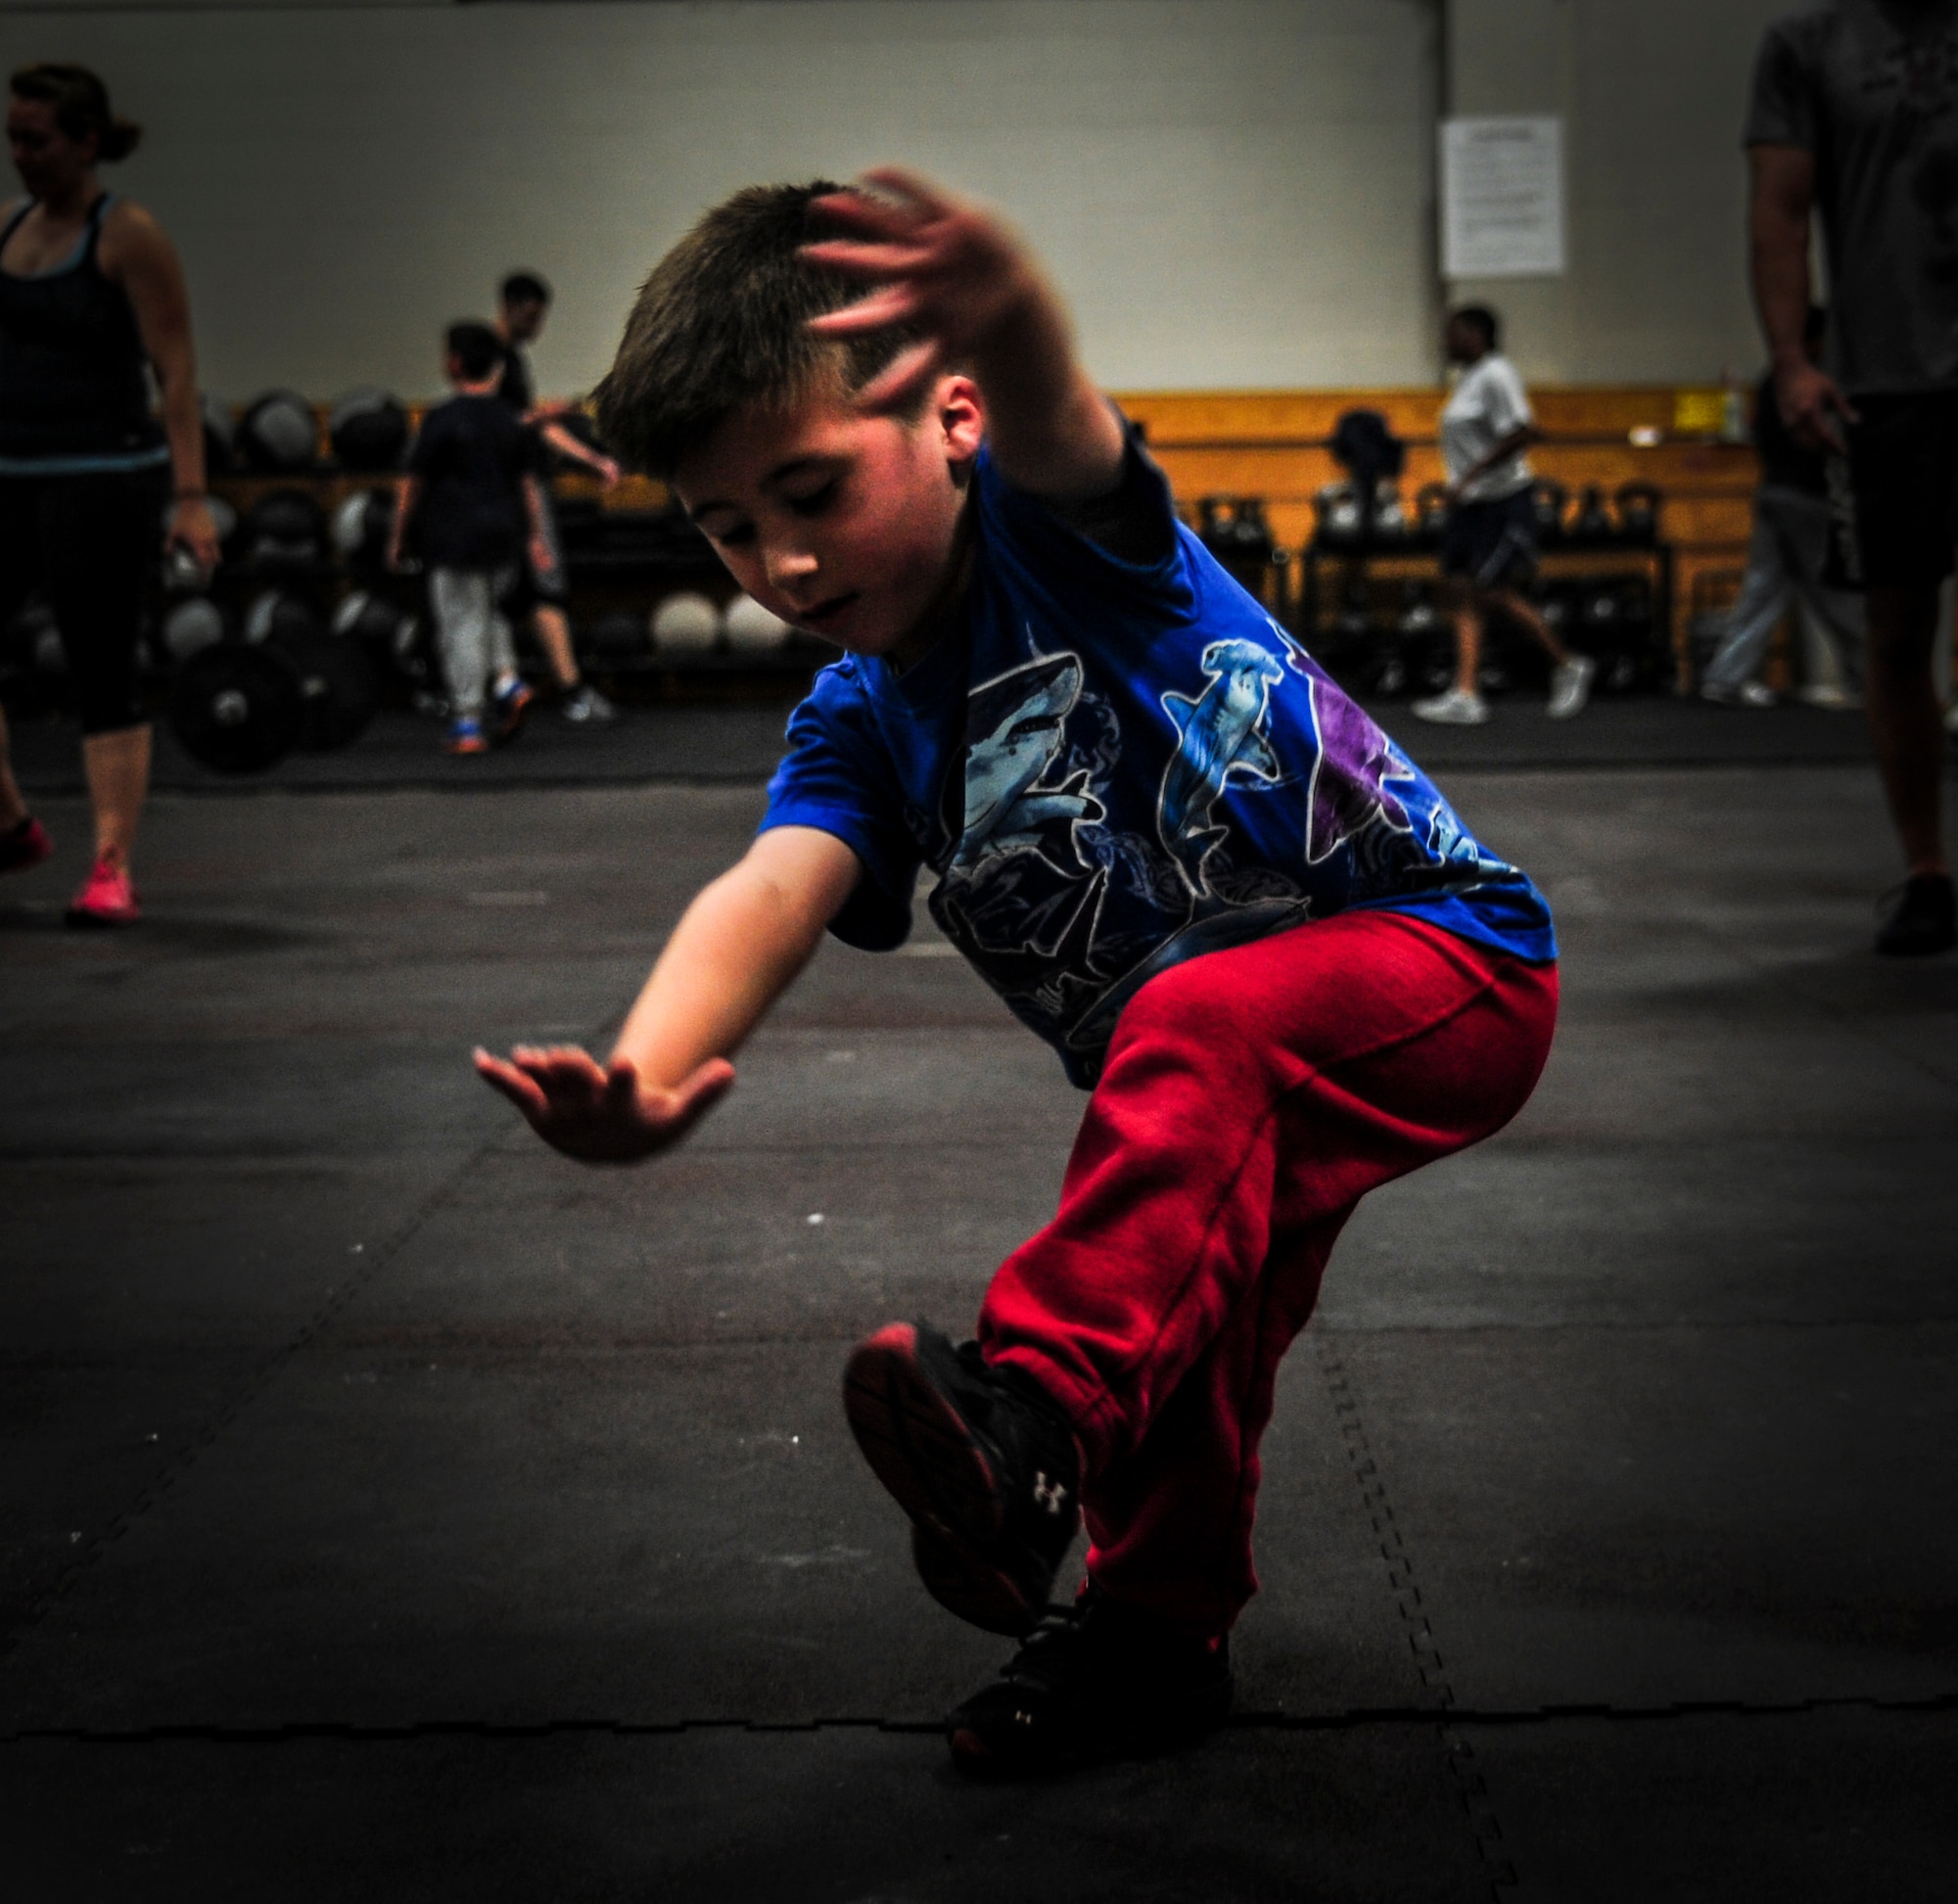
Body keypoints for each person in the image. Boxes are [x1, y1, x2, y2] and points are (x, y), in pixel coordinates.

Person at [476, 172, 1561, 1777]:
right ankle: (1152, 1628)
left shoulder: (1061, 541)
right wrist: (643, 1073)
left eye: (810, 491)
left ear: (954, 418)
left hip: (1446, 965)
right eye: (726, 525)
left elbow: (1061, 411)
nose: (777, 561)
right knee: (1181, 1312)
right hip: (1213, 1076)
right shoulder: (856, 717)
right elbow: (771, 885)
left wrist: (1009, 298)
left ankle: (1026, 1416)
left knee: (1179, 1056)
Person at [1748, 0, 1958, 954]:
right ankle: (1926, 873)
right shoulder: (1808, 44)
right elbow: (1780, 209)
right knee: (1896, 627)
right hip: (1887, 381)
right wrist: (1790, 358)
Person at [0, 64, 219, 924]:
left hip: (104, 484)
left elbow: (176, 370)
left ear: (87, 142)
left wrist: (192, 496)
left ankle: (111, 864)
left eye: (38, 140)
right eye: (12, 138)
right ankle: (13, 824)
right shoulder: (6, 230)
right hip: (10, 479)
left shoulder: (127, 235)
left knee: (102, 670)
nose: (21, 155)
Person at [1412, 305, 1593, 727]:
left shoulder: (1497, 374)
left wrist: (1472, 475)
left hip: (1501, 502)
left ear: (1476, 334)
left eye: (1453, 333)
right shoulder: (1468, 380)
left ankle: (1567, 665)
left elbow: (1525, 430)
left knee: (1490, 591)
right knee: (1460, 592)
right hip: (1469, 505)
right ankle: (1466, 694)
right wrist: (1458, 484)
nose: (1446, 342)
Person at [389, 321, 547, 756]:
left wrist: (397, 539)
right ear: (496, 369)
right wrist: (535, 540)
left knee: (460, 626)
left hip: (453, 540)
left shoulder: (440, 419)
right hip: (503, 538)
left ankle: (467, 722)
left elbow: (412, 485)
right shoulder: (510, 421)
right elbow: (528, 486)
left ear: (453, 364)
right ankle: (506, 680)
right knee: (490, 616)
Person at [1702, 305, 1866, 710]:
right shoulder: (1812, 387)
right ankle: (1869, 677)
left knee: (1763, 588)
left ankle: (1726, 676)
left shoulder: (1770, 382)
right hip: (1802, 498)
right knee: (1834, 593)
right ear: (1813, 339)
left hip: (1774, 493)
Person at [493, 270, 621, 725]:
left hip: (509, 492)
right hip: (509, 494)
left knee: (522, 594)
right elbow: (506, 424)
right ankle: (567, 692)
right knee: (534, 590)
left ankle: (520, 690)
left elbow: (526, 424)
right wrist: (543, 420)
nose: (536, 326)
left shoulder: (508, 360)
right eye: (531, 316)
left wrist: (591, 459)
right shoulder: (493, 359)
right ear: (512, 307)